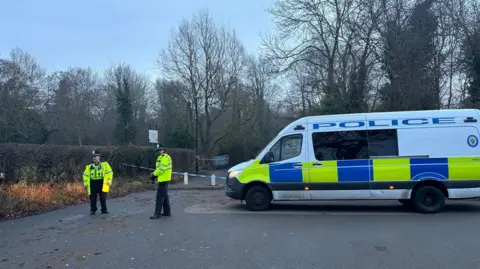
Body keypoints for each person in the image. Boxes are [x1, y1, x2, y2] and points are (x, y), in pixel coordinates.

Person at [83, 150, 113, 215]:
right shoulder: (89, 167)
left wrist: (109, 181)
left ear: (99, 157)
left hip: (102, 182)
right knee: (92, 198)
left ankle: (104, 210)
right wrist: (85, 184)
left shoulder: (105, 165)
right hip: (92, 183)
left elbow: (109, 173)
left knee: (103, 197)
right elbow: (85, 175)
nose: (94, 158)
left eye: (96, 156)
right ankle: (93, 210)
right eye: (93, 157)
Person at [150, 145, 172, 219]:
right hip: (163, 178)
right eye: (158, 150)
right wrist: (154, 174)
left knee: (159, 197)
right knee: (164, 196)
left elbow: (161, 169)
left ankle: (157, 214)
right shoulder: (161, 157)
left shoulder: (165, 158)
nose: (159, 151)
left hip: (164, 179)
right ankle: (167, 212)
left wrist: (154, 174)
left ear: (163, 150)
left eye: (160, 150)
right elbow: (159, 168)